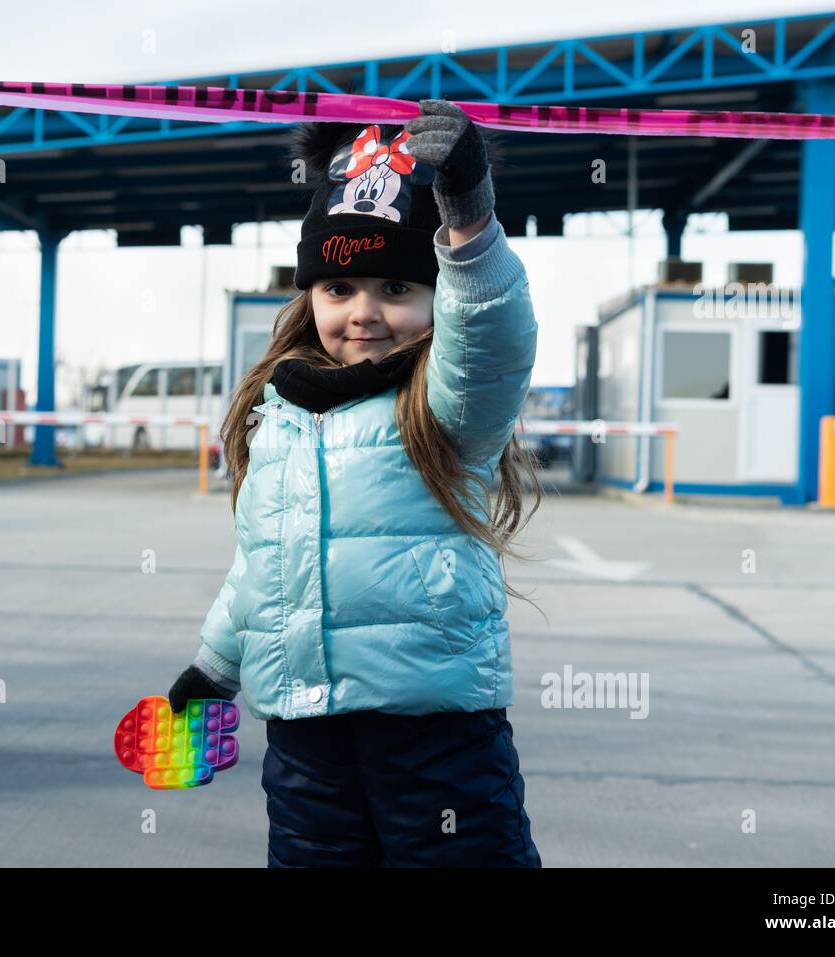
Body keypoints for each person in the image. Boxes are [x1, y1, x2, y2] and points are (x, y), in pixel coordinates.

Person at [165, 101, 543, 867]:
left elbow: (491, 335)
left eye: (395, 288)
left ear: (436, 297)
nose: (364, 312)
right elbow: (261, 569)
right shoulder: (282, 414)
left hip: (435, 737)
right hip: (305, 742)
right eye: (338, 289)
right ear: (310, 296)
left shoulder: (446, 405)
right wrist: (212, 668)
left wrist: (468, 222)